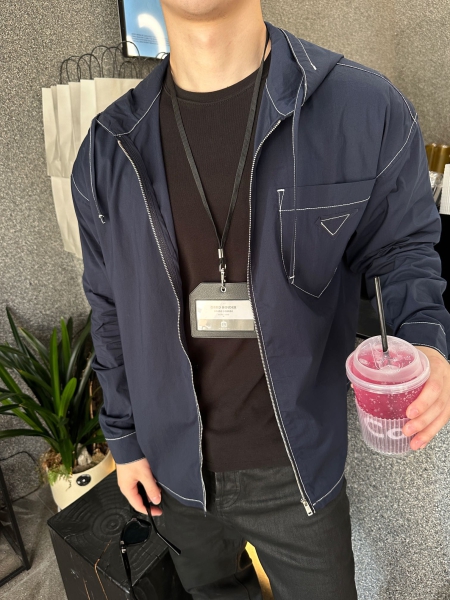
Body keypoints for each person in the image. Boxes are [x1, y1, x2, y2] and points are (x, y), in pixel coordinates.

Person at [71, 1, 450, 598]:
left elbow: (402, 249)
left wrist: (426, 341)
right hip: (173, 473)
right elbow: (110, 306)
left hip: (297, 470)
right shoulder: (107, 149)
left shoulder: (362, 109)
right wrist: (123, 438)